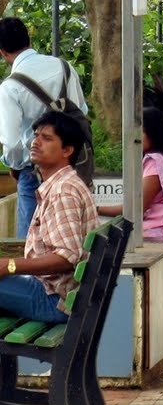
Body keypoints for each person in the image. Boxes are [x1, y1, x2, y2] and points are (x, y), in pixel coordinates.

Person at [0, 110, 97, 323]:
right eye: (35, 135)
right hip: (58, 292)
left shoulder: (63, 191)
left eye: (47, 138)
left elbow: (66, 256)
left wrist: (10, 265)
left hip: (54, 301)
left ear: (67, 150)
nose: (35, 142)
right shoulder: (63, 184)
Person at [0, 17, 88, 239]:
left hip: (35, 172)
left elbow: (12, 144)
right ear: (28, 39)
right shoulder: (65, 68)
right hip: (74, 165)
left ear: (2, 52)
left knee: (32, 245)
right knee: (71, 237)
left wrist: (15, 165)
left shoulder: (10, 87)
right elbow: (81, 113)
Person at [98, 107, 163, 242]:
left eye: (140, 132)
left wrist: (96, 208)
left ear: (153, 133)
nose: (134, 137)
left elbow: (135, 208)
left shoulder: (156, 163)